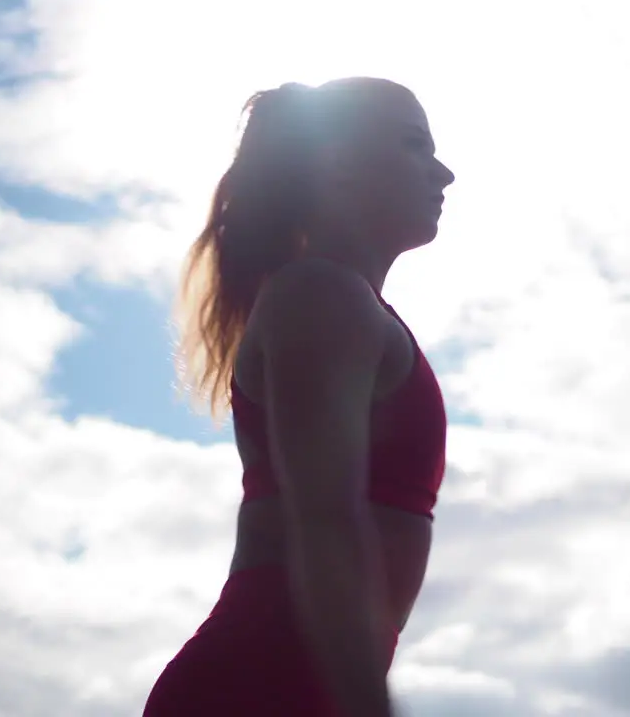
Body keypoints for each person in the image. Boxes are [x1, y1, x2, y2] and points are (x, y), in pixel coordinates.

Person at [142, 77, 455, 716]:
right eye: (413, 146)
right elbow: (324, 518)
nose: (444, 173)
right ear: (333, 163)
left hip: (291, 680)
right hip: (264, 684)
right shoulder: (320, 295)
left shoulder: (344, 303)